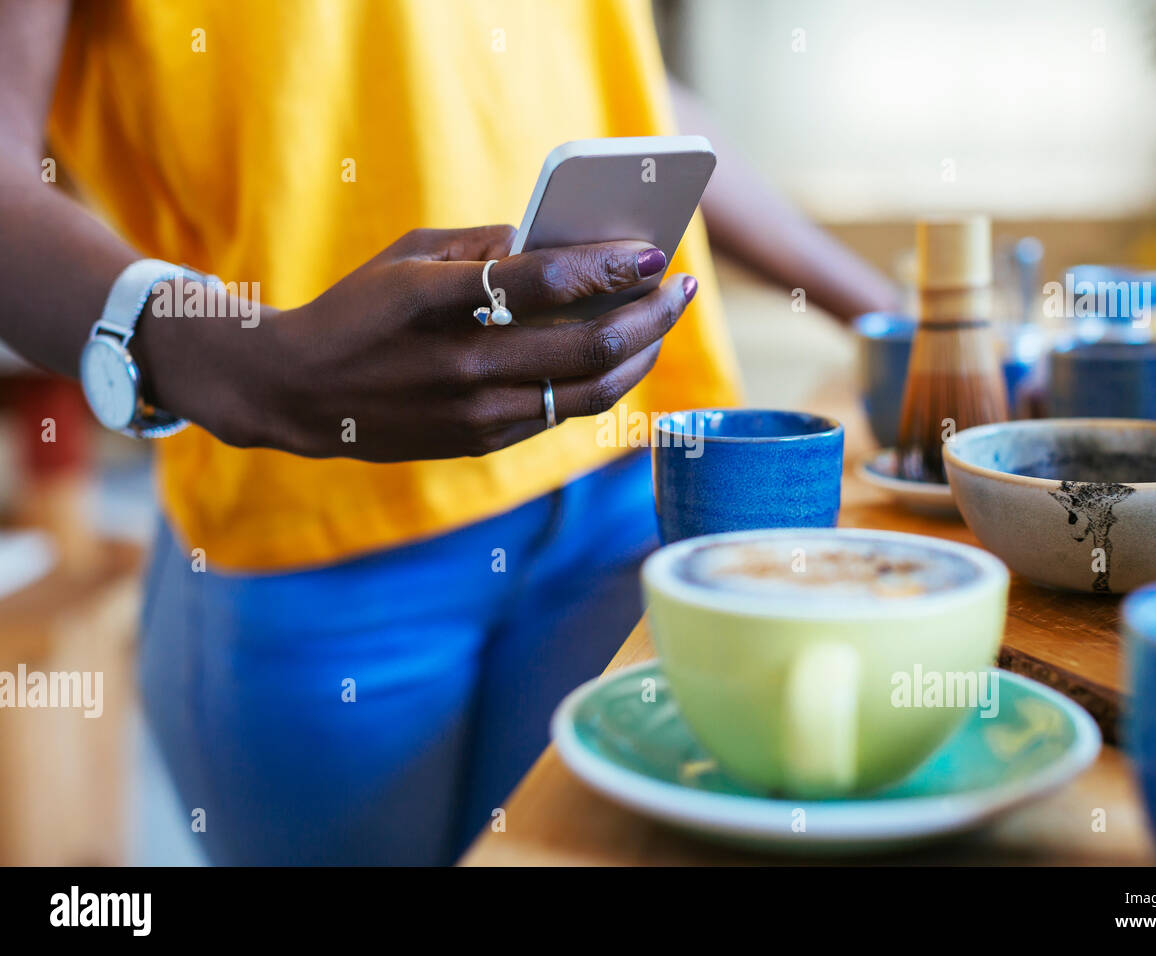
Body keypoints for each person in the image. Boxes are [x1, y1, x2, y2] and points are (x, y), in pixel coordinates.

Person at [0, 0, 897, 864]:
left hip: (627, 489)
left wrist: (894, 315)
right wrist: (253, 369)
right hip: (316, 539)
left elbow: (614, 78)